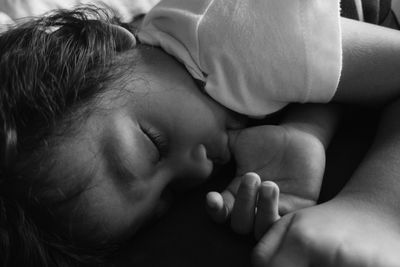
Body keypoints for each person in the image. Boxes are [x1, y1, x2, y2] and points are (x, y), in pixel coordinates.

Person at [0, 2, 400, 267]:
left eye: (154, 146)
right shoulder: (201, 68)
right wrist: (307, 131)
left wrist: (374, 208)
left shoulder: (230, 40)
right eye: (169, 195)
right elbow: (327, 75)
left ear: (110, 52)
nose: (197, 173)